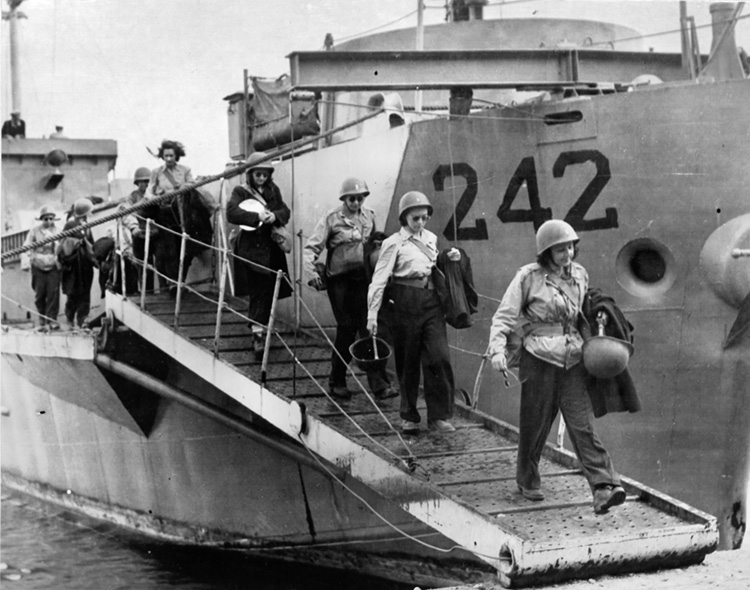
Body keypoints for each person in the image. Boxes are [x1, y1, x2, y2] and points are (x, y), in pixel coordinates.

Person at [487, 219, 626, 514]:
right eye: (560, 250)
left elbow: (580, 312)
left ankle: (603, 487)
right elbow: (504, 316)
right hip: (539, 357)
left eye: (570, 248)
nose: (567, 255)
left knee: (582, 424)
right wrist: (497, 350)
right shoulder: (528, 278)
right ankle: (527, 479)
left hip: (574, 358)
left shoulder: (579, 275)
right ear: (546, 252)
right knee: (535, 424)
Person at [366, 191, 459, 434]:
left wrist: (450, 259)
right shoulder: (392, 243)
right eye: (415, 218)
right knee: (407, 362)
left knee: (439, 357)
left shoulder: (431, 238)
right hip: (404, 303)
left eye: (424, 218)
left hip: (431, 302)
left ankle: (439, 416)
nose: (420, 223)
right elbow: (378, 280)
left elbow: (434, 268)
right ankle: (409, 415)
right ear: (404, 217)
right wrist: (372, 314)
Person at [304, 177, 396, 401]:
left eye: (359, 198)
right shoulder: (332, 218)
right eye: (351, 199)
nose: (356, 203)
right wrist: (312, 274)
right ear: (344, 199)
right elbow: (311, 248)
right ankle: (337, 381)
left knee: (368, 328)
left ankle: (379, 384)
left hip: (363, 279)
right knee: (346, 328)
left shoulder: (370, 216)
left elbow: (377, 244)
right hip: (340, 282)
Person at [226, 152, 292, 359]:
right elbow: (232, 213)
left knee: (269, 288)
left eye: (265, 175)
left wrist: (275, 216)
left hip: (271, 248)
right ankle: (257, 334)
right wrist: (257, 216)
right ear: (250, 174)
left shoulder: (274, 190)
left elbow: (284, 210)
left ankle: (260, 329)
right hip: (251, 249)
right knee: (259, 289)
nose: (262, 178)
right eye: (258, 175)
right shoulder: (240, 191)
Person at [114, 167, 156, 294]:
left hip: (154, 233)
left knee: (154, 264)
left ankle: (150, 291)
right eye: (142, 181)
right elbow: (127, 212)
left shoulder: (155, 195)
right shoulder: (132, 197)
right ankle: (141, 291)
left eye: (147, 181)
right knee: (140, 264)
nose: (145, 184)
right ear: (137, 183)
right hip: (139, 234)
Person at [57, 198, 96, 330]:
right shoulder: (70, 225)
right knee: (73, 294)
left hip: (85, 265)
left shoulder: (87, 225)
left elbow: (92, 244)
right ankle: (69, 319)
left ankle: (82, 320)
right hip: (73, 266)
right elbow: (64, 246)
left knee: (85, 293)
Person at [22, 205, 61, 330]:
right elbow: (26, 246)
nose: (49, 221)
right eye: (46, 219)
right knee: (40, 295)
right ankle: (42, 319)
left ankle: (52, 319)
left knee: (53, 294)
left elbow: (62, 247)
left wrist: (55, 243)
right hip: (38, 267)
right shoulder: (34, 231)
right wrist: (30, 258)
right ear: (41, 219)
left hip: (53, 266)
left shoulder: (58, 231)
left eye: (51, 218)